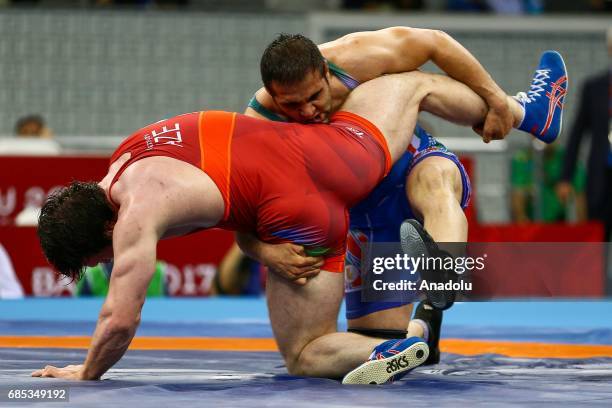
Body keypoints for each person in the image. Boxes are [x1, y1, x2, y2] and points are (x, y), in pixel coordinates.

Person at [32, 50, 566, 384]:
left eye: (96, 258)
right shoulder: (132, 152)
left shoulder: (133, 215)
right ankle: (404, 339)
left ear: (104, 229)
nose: (107, 261)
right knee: (411, 83)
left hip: (305, 214)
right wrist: (262, 249)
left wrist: (86, 371)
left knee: (306, 353)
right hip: (340, 160)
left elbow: (120, 319)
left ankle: (424, 302)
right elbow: (231, 190)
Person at [237, 31, 567, 364]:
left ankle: (443, 274)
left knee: (421, 112)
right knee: (383, 348)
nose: (308, 111)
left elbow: (435, 42)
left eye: (315, 96)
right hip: (368, 218)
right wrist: (265, 252)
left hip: (414, 162)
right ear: (272, 95)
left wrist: (496, 100)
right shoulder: (259, 127)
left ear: (325, 71)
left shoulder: (352, 57)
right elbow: (242, 218)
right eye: (292, 104)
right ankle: (424, 329)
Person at [558, 28, 611, 240]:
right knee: (598, 237)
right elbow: (577, 134)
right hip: (600, 175)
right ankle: (600, 275)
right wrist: (566, 177)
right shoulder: (594, 87)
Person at [512, 141, 587, 223]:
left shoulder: (567, 158)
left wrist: (580, 230)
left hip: (562, 224)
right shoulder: (523, 158)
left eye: (546, 130)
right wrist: (523, 224)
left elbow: (580, 197)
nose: (541, 135)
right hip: (532, 224)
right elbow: (517, 194)